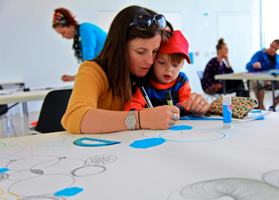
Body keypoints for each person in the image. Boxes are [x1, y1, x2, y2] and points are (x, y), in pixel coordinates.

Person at [61, 6, 209, 134]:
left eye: (155, 51)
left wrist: (194, 105)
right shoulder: (92, 71)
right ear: (120, 48)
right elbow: (75, 116)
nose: (150, 61)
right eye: (140, 52)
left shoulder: (150, 74)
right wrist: (139, 119)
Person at [124, 30, 196, 116]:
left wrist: (173, 111)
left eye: (175, 65)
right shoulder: (144, 83)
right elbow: (130, 109)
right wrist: (153, 114)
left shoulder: (182, 80)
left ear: (181, 66)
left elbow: (187, 105)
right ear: (153, 61)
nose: (169, 69)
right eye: (162, 63)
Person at [52, 8, 107, 82]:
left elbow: (89, 57)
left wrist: (79, 76)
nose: (63, 36)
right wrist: (75, 77)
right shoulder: (79, 38)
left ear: (71, 25)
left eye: (63, 32)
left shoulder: (85, 28)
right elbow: (88, 63)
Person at [246, 39, 279, 110]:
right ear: (270, 45)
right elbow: (248, 65)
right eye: (272, 47)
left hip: (273, 79)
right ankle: (262, 107)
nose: (273, 49)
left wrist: (271, 81)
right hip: (259, 78)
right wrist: (253, 65)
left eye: (276, 48)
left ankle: (273, 106)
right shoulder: (259, 54)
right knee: (258, 83)